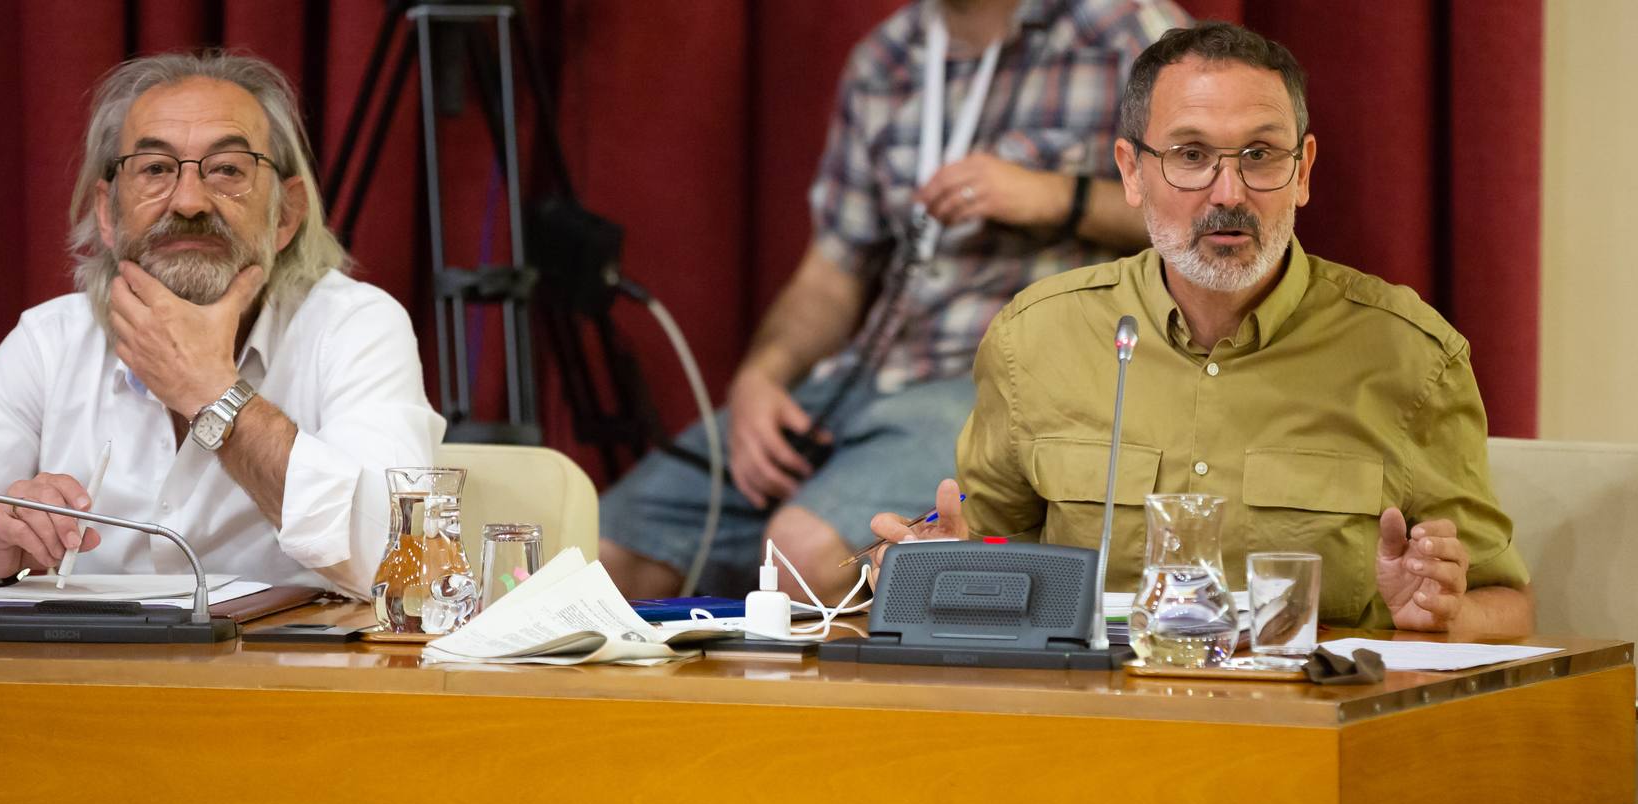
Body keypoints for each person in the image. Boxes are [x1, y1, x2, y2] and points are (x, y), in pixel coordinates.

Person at [872, 21, 1534, 634]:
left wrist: (1441, 616)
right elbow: (982, 552)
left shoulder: (1411, 357)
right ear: (1132, 171)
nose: (1227, 193)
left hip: (1309, 733)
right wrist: (925, 563)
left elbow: (1507, 603)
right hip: (1093, 724)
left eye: (1259, 155)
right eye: (1190, 155)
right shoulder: (1035, 338)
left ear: (1302, 171)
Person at [601, 0, 1191, 599]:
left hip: (1002, 381)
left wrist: (1059, 199)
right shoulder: (886, 57)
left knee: (803, 557)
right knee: (601, 555)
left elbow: (1209, 209)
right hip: (868, 380)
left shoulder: (1122, 29)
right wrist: (761, 378)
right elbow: (831, 274)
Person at [0, 51, 444, 598]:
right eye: (156, 168)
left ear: (285, 214)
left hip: (282, 694)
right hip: (79, 693)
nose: (189, 201)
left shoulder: (356, 327)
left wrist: (211, 392)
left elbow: (401, 562)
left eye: (228, 170)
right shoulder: (53, 341)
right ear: (107, 212)